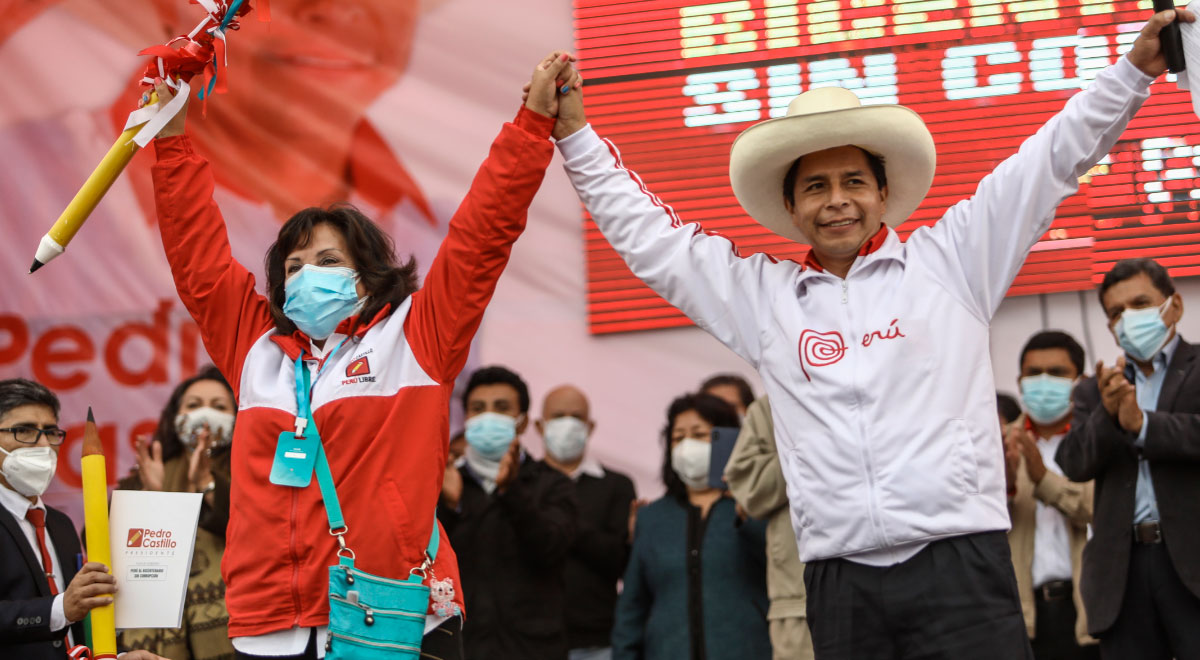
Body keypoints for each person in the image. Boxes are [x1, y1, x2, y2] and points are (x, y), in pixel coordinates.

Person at [546, 7, 1193, 657]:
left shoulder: (953, 262)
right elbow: (652, 242)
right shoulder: (766, 300)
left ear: (884, 194)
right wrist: (575, 136)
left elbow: (1049, 160)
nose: (837, 200)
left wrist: (1134, 71)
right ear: (792, 209)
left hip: (962, 565)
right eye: (817, 187)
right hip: (840, 580)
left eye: (854, 181)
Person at [146, 49, 581, 660]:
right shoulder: (256, 351)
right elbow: (198, 259)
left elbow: (482, 234)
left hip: (392, 612)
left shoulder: (416, 336)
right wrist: (170, 143)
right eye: (293, 267)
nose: (306, 276)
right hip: (270, 626)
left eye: (327, 262)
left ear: (370, 274)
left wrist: (530, 127)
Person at [1056, 257, 1200, 659]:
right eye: (1117, 312)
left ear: (1175, 306)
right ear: (1110, 329)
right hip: (1122, 572)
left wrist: (1143, 424)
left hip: (1191, 563)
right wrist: (1107, 413)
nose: (1129, 318)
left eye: (1140, 304)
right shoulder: (1093, 391)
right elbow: (1073, 463)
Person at [0, 378, 168, 660]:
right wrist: (60, 608)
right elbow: (64, 610)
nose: (43, 444)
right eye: (24, 430)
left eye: (51, 432)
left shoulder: (62, 525)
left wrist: (117, 657)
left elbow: (76, 627)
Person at [613, 392, 769, 660]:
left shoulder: (753, 506)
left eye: (699, 434)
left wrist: (747, 508)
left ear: (727, 441)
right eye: (678, 438)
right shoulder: (652, 518)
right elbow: (633, 606)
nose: (687, 445)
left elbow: (777, 568)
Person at [438, 366, 578, 660]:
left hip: (534, 648)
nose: (488, 416)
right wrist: (450, 507)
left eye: (501, 408)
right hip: (464, 647)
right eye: (478, 408)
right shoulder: (443, 484)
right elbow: (425, 566)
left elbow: (551, 550)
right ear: (466, 419)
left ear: (523, 422)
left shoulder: (552, 484)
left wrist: (510, 491)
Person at [117, 366, 237, 660]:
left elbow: (254, 533)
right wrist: (150, 496)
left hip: (233, 628)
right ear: (175, 417)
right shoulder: (150, 470)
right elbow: (103, 541)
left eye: (219, 406)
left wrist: (207, 485)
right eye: (194, 405)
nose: (204, 415)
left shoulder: (251, 469)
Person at [1004, 331, 1097, 659]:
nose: (1043, 382)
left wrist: (1042, 478)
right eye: (1033, 374)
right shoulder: (997, 444)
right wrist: (1006, 484)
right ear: (1019, 381)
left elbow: (1095, 507)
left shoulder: (1099, 441)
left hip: (1090, 611)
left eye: (1057, 373)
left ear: (1081, 380)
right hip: (1023, 617)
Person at [535, 384, 636, 660]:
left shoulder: (616, 486)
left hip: (597, 642)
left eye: (576, 416)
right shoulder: (523, 482)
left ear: (590, 426)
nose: (567, 423)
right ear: (539, 426)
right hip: (529, 639)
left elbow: (617, 560)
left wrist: (561, 517)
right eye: (558, 416)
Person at [724, 396, 814, 660]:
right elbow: (749, 487)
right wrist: (807, 445)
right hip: (797, 604)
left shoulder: (875, 389)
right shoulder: (769, 405)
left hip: (887, 582)